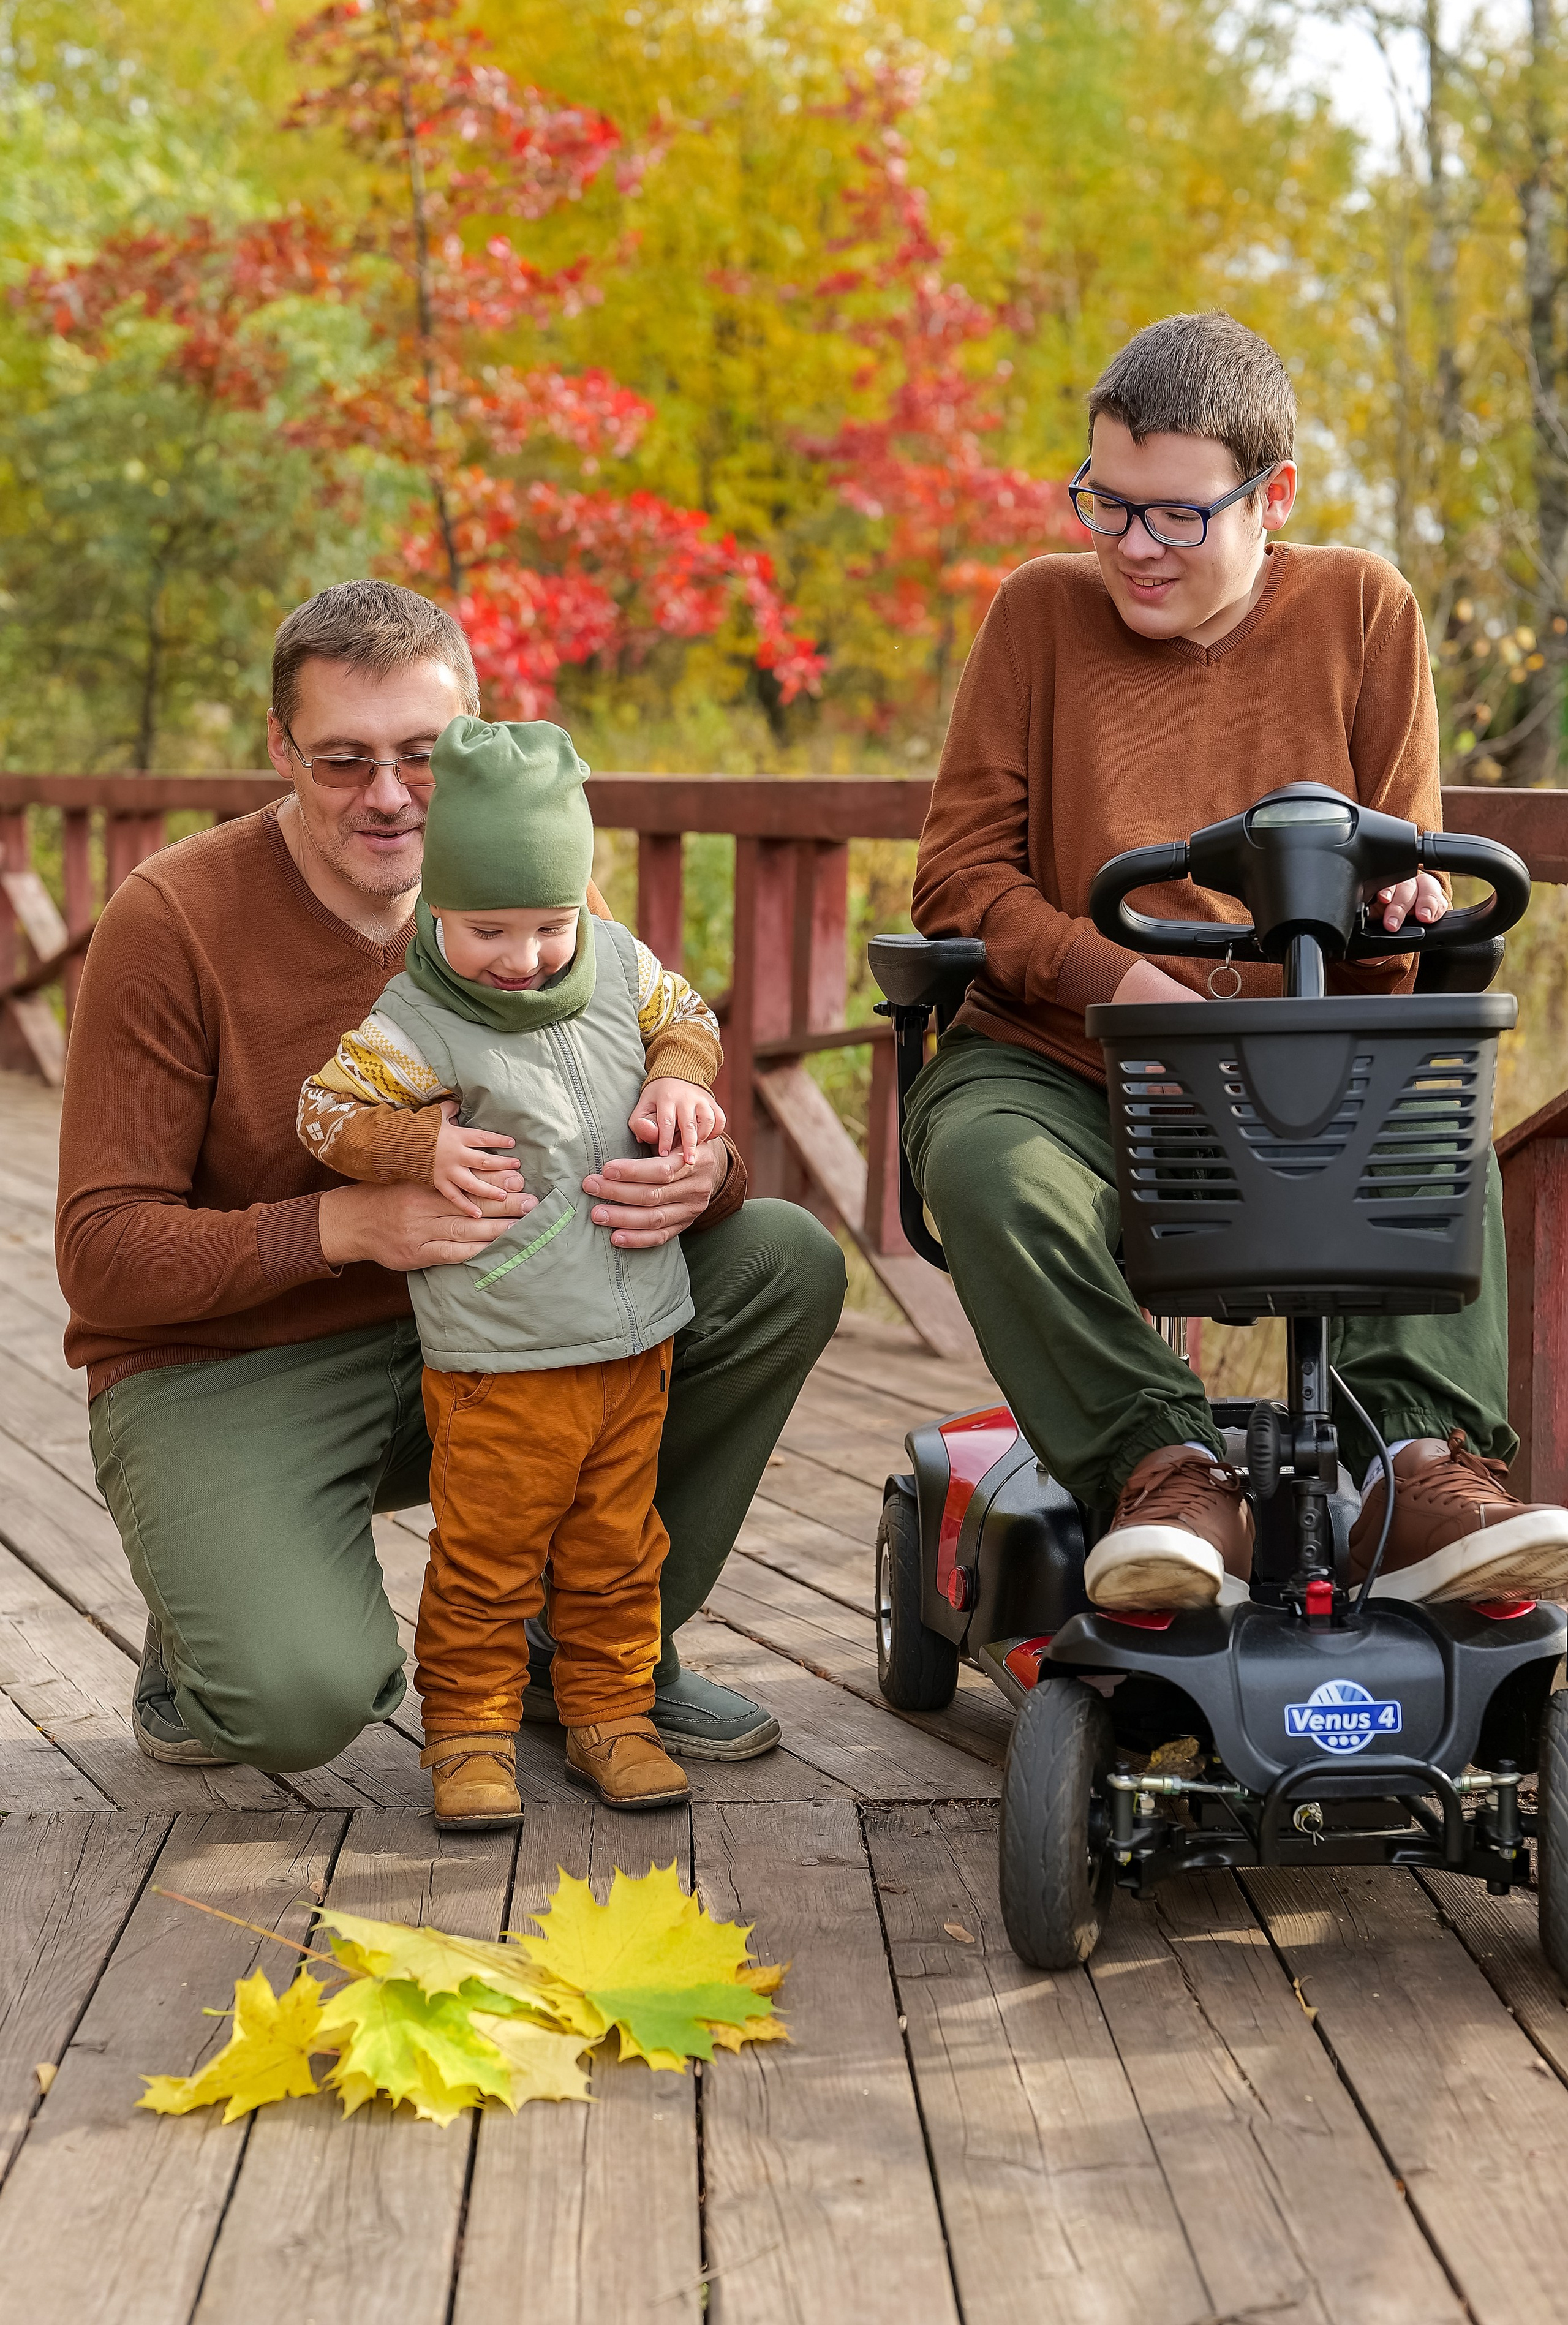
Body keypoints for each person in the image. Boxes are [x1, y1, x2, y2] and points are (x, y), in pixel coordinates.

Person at [56, 578, 846, 1773]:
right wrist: (347, 1221)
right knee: (293, 1702)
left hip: (511, 1326)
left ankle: (587, 1658)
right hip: (240, 1357)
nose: (387, 794)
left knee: (778, 1255)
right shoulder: (170, 918)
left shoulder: (526, 885)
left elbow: (632, 1083)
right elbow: (102, 1256)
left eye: (421, 754)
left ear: (472, 737)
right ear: (279, 748)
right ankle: (207, 1611)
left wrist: (707, 1172)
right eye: (340, 759)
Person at [905, 309, 1568, 1611]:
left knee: (1431, 1112)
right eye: (1104, 504)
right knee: (986, 1163)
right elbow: (960, 878)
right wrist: (1119, 978)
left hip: (1301, 1062)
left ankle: (1419, 1466)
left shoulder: (1363, 609)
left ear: (1270, 497)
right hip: (1064, 1060)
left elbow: (1395, 920)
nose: (1130, 548)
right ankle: (1161, 1463)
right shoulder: (1038, 613)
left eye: (1172, 517)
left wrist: (1400, 914)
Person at [298, 715, 723, 1825]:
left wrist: (683, 1081)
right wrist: (415, 1146)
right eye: (488, 928)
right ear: (436, 906)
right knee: (489, 1556)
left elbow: (687, 1017)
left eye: (550, 925)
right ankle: (471, 1735)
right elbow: (326, 1111)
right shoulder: (419, 1018)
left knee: (620, 1548)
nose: (525, 956)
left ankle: (610, 1715)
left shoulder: (621, 963)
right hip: (502, 1351)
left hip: (634, 1340)